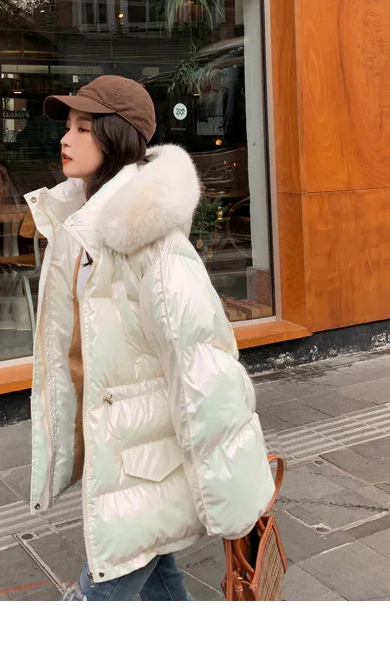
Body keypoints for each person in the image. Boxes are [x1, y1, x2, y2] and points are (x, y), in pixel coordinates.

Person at [24, 76, 275, 601]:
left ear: (115, 136)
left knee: (100, 592)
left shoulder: (151, 242)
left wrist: (236, 494)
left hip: (141, 463)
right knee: (158, 574)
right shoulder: (83, 225)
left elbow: (203, 364)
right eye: (67, 127)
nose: (66, 139)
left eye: (84, 128)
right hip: (130, 457)